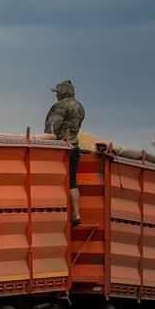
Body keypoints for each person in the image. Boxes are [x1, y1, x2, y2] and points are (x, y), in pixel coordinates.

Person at [45, 80, 86, 224]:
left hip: (61, 149)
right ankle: (76, 214)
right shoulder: (80, 107)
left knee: (53, 182)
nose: (56, 95)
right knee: (72, 182)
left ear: (63, 91)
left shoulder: (61, 105)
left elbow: (52, 129)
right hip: (74, 147)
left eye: (57, 92)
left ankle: (55, 216)